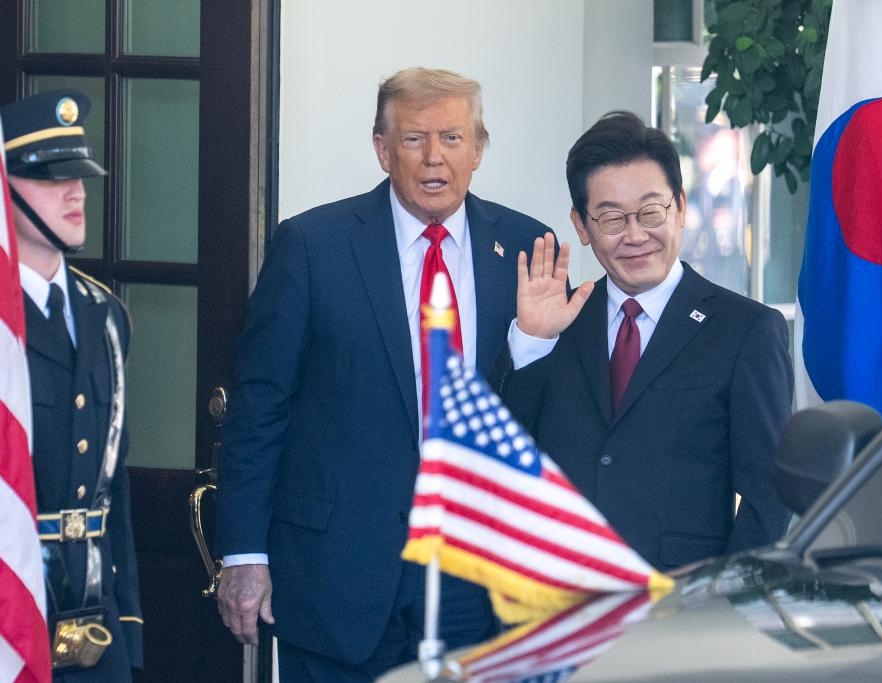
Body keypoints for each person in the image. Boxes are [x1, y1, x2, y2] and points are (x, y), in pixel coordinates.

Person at [214, 67, 554, 681]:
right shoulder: (312, 246)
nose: (434, 158)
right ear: (381, 149)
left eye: (452, 138)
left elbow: (542, 409)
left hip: (473, 583)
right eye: (413, 139)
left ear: (479, 149)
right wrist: (243, 552)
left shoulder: (529, 248)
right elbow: (258, 407)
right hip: (334, 574)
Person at [501, 111, 793, 572]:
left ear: (678, 206)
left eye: (651, 211)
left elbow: (769, 500)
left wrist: (724, 605)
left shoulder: (746, 331)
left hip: (678, 610)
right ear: (581, 226)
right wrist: (532, 342)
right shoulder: (559, 321)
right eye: (612, 218)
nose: (635, 235)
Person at [2, 90, 142, 680]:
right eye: (50, 178)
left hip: (92, 622)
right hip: (13, 616)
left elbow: (117, 491)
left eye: (80, 176)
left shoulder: (105, 313)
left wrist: (129, 634)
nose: (76, 191)